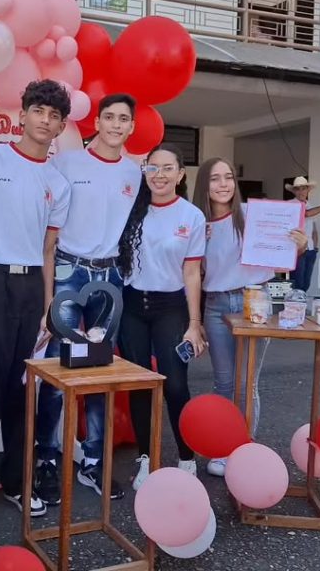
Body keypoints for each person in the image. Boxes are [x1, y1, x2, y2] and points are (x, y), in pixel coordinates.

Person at [0, 80, 71, 527]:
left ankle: (18, 483)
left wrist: (48, 305)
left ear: (61, 126)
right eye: (38, 110)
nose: (45, 120)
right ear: (22, 114)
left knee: (23, 388)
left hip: (31, 287)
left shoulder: (58, 183)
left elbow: (49, 250)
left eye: (54, 116)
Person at [31, 94, 140, 504]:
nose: (115, 124)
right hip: (67, 271)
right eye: (109, 117)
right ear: (97, 121)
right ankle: (46, 458)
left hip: (108, 279)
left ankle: (93, 461)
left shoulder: (134, 173)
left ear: (131, 127)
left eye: (123, 119)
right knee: (57, 368)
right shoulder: (67, 163)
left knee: (97, 370)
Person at [192, 158, 307, 478]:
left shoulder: (255, 215)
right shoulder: (197, 223)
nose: (223, 184)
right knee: (224, 382)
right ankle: (222, 446)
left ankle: (242, 448)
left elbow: (281, 256)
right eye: (215, 178)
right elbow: (190, 270)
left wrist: (299, 247)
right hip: (215, 305)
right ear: (204, 185)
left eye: (228, 177)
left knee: (246, 383)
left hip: (253, 301)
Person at [118, 143, 207, 489]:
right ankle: (145, 457)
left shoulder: (191, 216)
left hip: (171, 306)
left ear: (181, 174)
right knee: (140, 384)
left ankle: (186, 457)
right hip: (132, 306)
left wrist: (194, 325)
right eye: (152, 168)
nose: (159, 175)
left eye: (168, 168)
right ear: (144, 172)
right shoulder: (130, 209)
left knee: (176, 383)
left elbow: (192, 273)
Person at [285, 176, 320, 291]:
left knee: (306, 283)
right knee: (297, 281)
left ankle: (301, 301)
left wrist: (315, 248)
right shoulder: (291, 204)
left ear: (308, 190)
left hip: (310, 248)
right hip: (297, 248)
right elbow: (306, 214)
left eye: (303, 188)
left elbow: (313, 229)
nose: (301, 192)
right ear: (294, 191)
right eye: (298, 189)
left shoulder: (311, 205)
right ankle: (296, 301)